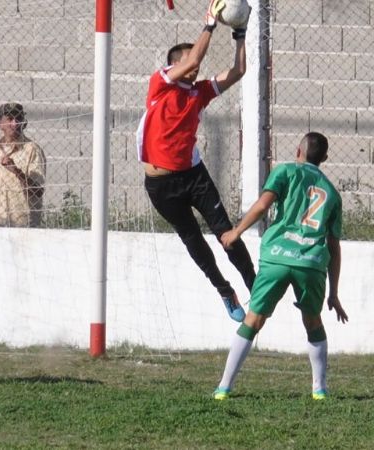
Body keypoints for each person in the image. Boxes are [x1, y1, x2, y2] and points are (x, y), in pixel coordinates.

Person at [136, 0, 255, 321]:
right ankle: (225, 290)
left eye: (195, 61)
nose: (196, 66)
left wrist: (240, 34)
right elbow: (193, 61)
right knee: (194, 242)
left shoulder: (198, 92)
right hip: (161, 185)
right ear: (174, 64)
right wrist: (210, 23)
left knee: (225, 232)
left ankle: (256, 287)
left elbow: (239, 71)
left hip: (194, 176)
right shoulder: (161, 83)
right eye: (188, 60)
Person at [213, 132, 348, 401]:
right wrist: (334, 292)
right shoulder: (332, 193)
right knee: (313, 322)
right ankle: (319, 389)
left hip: (277, 256)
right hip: (310, 263)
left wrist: (236, 232)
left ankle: (224, 387)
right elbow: (334, 247)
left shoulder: (284, 171)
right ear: (325, 158)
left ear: (298, 151)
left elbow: (263, 206)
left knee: (254, 319)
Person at [0, 102, 46, 227]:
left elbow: (38, 191)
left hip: (22, 226)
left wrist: (17, 171)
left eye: (18, 118)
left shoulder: (32, 150)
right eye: (10, 119)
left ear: (24, 122)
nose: (15, 123)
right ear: (0, 124)